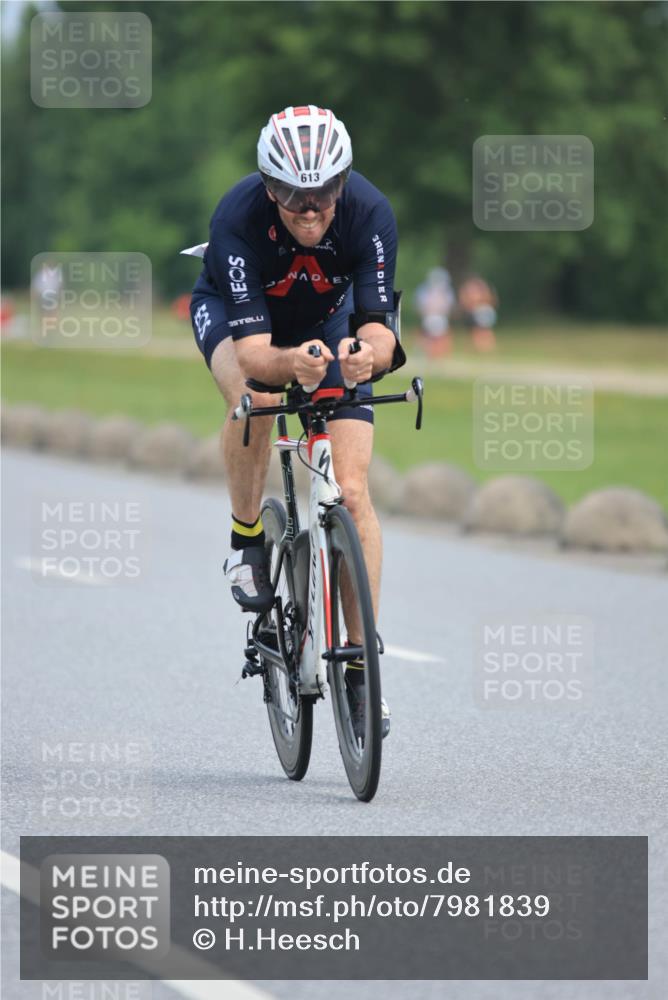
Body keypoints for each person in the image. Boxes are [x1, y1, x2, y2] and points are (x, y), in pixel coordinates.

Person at [187, 105, 406, 737]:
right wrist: (291, 366)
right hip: (244, 323)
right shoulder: (237, 217)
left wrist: (368, 355)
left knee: (355, 491)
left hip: (329, 323)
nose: (309, 209)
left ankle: (362, 667)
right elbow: (257, 357)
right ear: (266, 185)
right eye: (290, 195)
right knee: (254, 397)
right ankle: (246, 537)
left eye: (323, 193)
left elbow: (380, 329)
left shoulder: (370, 213)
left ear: (343, 182)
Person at [415, 266, 455, 357]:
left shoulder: (447, 292)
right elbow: (421, 307)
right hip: (429, 317)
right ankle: (429, 351)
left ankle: (440, 352)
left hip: (440, 317)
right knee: (430, 330)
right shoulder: (424, 290)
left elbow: (448, 308)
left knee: (442, 330)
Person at [457, 275, 498, 351]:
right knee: (477, 331)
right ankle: (481, 347)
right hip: (475, 313)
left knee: (483, 331)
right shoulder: (473, 290)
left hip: (483, 312)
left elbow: (490, 300)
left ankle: (485, 347)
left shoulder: (481, 290)